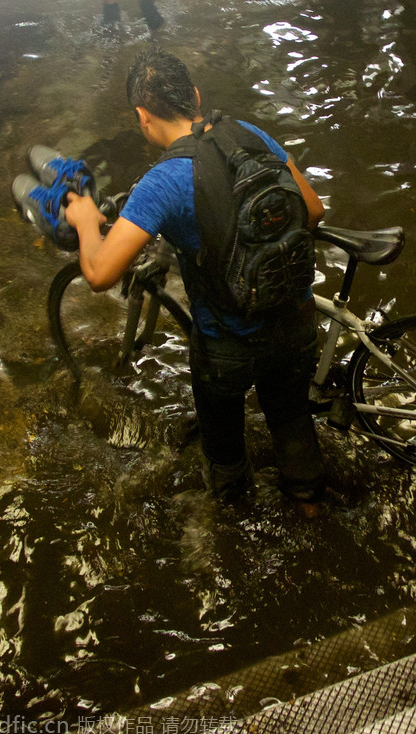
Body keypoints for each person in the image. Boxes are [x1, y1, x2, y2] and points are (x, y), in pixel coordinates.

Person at [64, 48, 327, 503]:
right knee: (291, 420)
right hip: (295, 319)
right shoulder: (251, 136)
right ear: (196, 96)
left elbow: (100, 274)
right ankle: (310, 510)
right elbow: (314, 209)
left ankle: (235, 525)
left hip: (228, 343)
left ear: (143, 117)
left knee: (224, 452)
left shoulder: (162, 182)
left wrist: (87, 222)